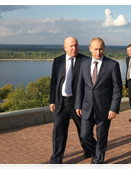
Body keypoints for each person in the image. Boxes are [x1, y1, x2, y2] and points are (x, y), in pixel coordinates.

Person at [75, 38, 122, 169]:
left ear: (104, 48)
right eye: (95, 49)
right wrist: (78, 105)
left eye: (101, 49)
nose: (98, 52)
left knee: (102, 138)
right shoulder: (84, 64)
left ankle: (98, 163)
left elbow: (118, 89)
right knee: (84, 135)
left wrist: (114, 108)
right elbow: (79, 86)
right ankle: (97, 152)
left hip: (105, 109)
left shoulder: (112, 65)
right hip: (87, 108)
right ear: (90, 48)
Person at [46, 37, 91, 169]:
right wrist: (52, 100)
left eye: (76, 45)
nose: (74, 48)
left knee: (84, 130)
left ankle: (89, 150)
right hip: (61, 102)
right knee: (58, 132)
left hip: (78, 104)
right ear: (65, 47)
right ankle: (56, 161)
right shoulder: (58, 61)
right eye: (71, 46)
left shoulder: (85, 61)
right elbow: (54, 82)